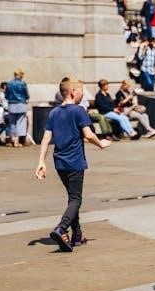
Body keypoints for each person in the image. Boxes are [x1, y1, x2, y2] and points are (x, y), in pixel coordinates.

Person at [35, 78, 111, 252]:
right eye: (81, 91)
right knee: (76, 199)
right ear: (72, 92)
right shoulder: (78, 111)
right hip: (75, 162)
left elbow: (46, 138)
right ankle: (61, 228)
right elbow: (88, 134)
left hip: (59, 163)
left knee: (72, 198)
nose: (83, 94)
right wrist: (101, 144)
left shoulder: (54, 112)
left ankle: (77, 234)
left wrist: (41, 162)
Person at [6, 69, 30, 147]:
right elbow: (26, 94)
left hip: (12, 104)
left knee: (12, 122)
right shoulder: (22, 83)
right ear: (20, 75)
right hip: (21, 104)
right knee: (21, 122)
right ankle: (17, 140)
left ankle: (13, 139)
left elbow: (6, 95)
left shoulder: (9, 83)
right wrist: (26, 98)